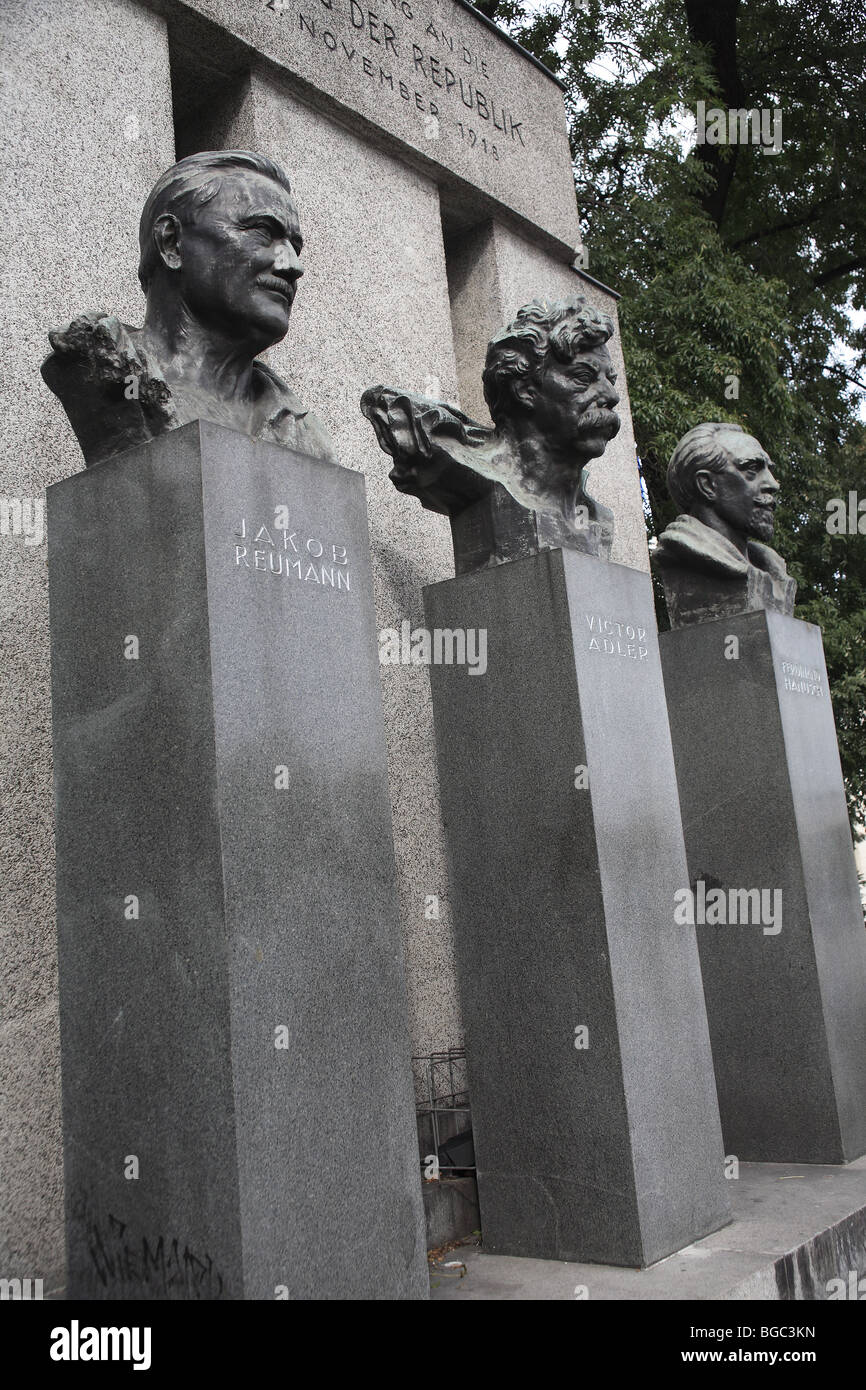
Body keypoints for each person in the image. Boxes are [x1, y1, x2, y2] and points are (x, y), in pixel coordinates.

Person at [42, 150, 334, 467]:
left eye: (295, 246)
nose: (292, 265)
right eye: (262, 230)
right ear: (172, 243)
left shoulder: (306, 435)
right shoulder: (106, 371)